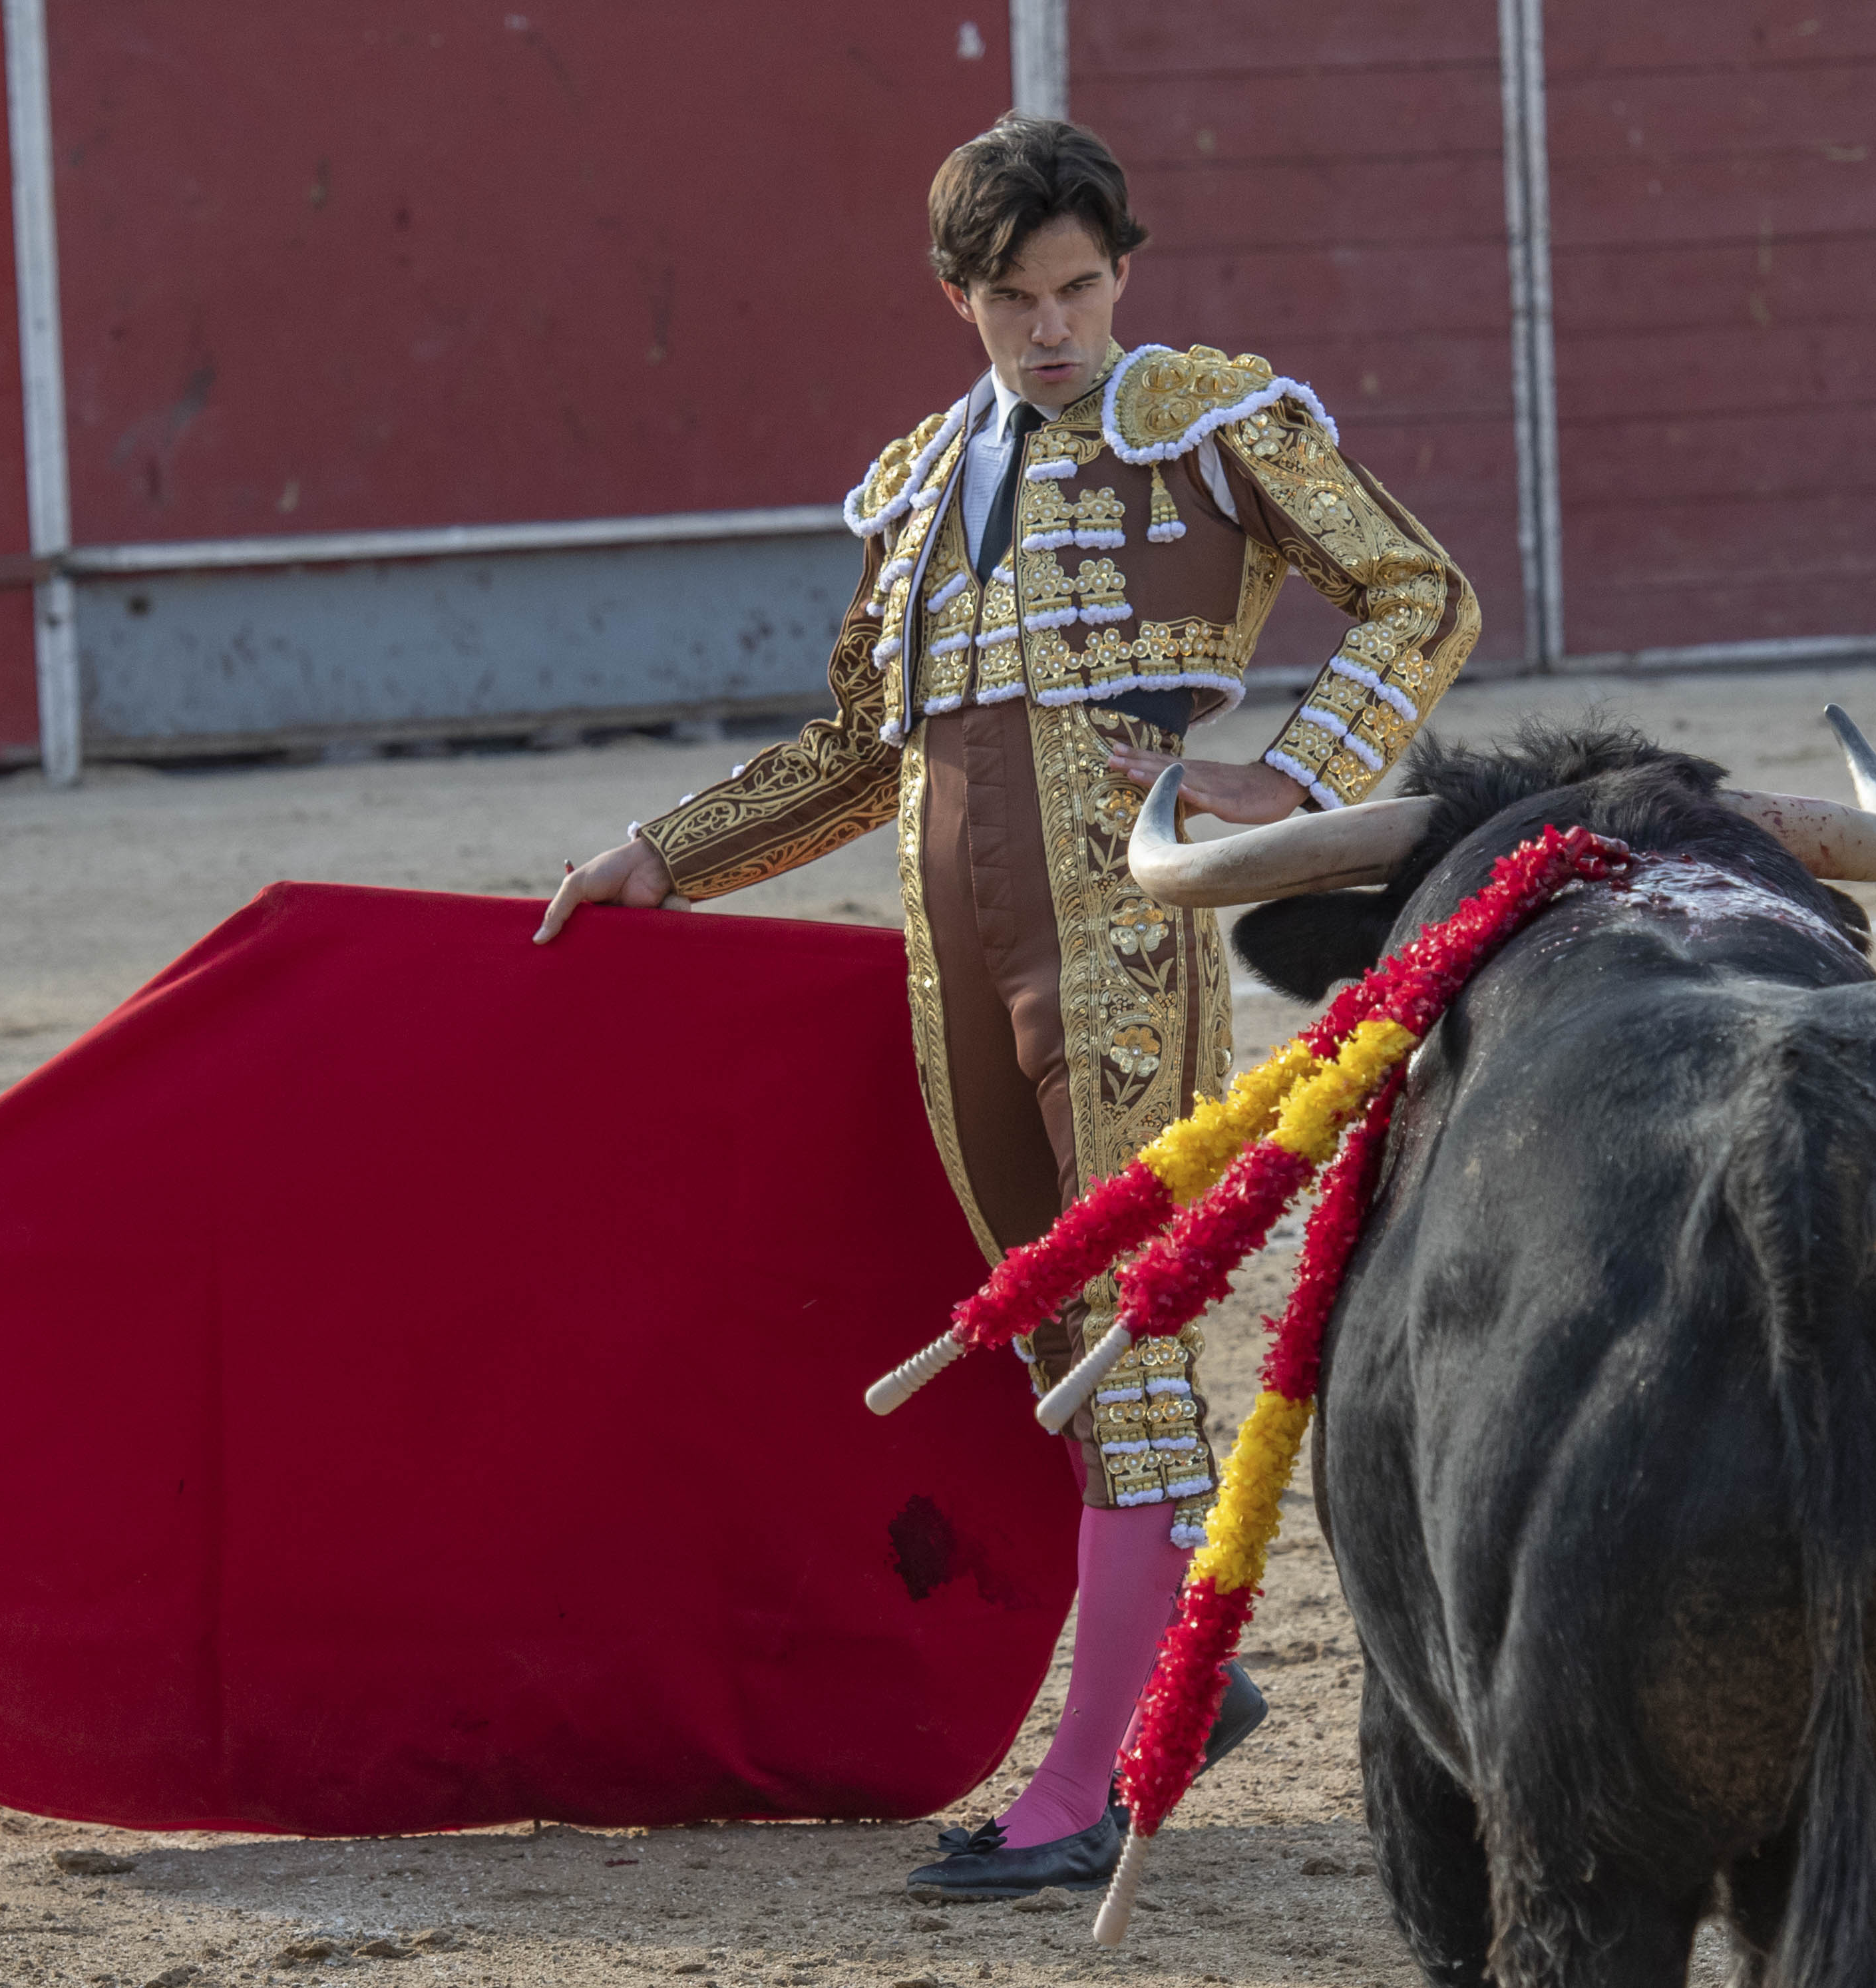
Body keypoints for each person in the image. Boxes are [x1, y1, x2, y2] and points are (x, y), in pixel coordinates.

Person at [536, 114, 1481, 1897]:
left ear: (1120, 273)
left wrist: (1296, 777)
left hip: (1113, 930)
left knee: (1122, 1325)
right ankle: (1177, 1693)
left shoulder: (1206, 418)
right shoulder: (910, 484)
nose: (1054, 328)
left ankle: (1102, 1776)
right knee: (1051, 1334)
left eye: (1079, 288)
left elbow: (1417, 588)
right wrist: (663, 853)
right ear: (956, 298)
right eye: (1014, 299)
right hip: (949, 942)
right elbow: (853, 745)